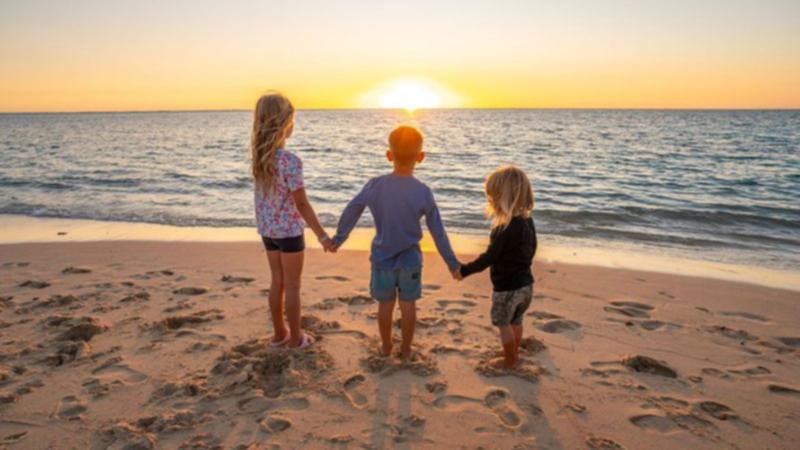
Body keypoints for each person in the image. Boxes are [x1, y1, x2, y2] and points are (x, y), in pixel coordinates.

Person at [332, 125, 460, 359]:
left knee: (385, 305)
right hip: (410, 260)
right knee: (408, 304)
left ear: (389, 155)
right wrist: (452, 263)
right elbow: (438, 232)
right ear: (421, 158)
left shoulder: (375, 185)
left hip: (382, 259)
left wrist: (339, 238)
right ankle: (407, 349)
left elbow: (353, 209)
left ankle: (386, 346)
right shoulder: (423, 192)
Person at [251, 92, 335, 349]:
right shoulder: (290, 161)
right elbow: (302, 204)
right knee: (293, 287)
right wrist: (322, 235)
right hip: (288, 233)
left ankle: (279, 335)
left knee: (277, 281)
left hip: (268, 230)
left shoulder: (260, 159)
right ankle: (296, 339)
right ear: (284, 123)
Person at [457, 165, 537, 368]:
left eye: (492, 198)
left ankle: (510, 360)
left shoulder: (504, 228)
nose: (490, 202)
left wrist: (464, 270)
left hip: (507, 289)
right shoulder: (528, 223)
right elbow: (532, 248)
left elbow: (489, 258)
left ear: (502, 198)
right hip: (526, 285)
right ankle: (513, 352)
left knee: (503, 323)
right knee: (516, 321)